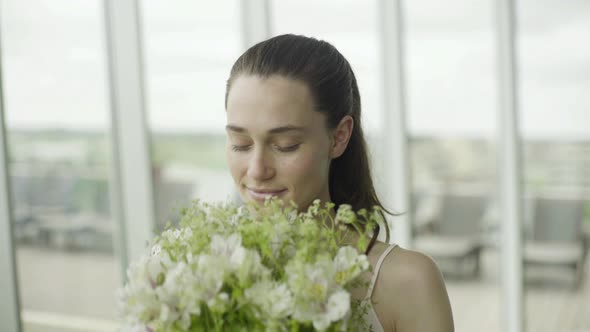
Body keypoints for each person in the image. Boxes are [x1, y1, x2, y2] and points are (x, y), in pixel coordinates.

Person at [224, 34, 454, 332]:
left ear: (339, 136)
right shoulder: (192, 268)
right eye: (240, 144)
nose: (257, 170)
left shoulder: (407, 282)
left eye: (285, 144)